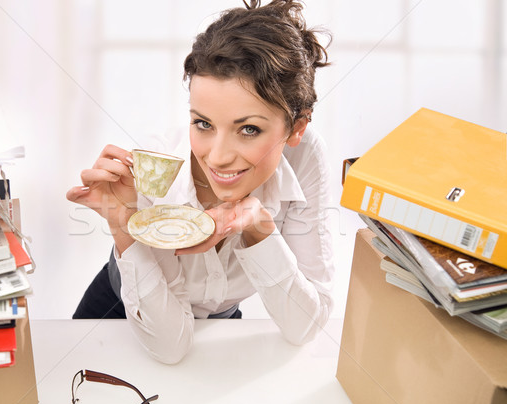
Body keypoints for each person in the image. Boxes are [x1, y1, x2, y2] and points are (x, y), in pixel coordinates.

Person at [67, 0, 334, 364]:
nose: (218, 156)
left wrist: (259, 228)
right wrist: (122, 225)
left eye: (249, 129)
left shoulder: (304, 157)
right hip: (122, 311)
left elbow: (305, 327)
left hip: (220, 326)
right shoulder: (151, 173)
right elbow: (169, 347)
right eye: (203, 124)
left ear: (296, 128)